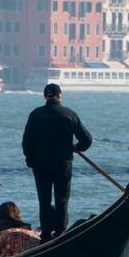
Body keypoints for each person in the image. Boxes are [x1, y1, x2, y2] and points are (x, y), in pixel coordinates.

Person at [21, 83, 92, 242]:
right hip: (63, 163)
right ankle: (60, 232)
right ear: (60, 95)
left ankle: (45, 233)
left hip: (41, 164)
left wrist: (30, 161)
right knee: (62, 199)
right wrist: (75, 148)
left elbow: (27, 142)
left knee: (44, 199)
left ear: (45, 96)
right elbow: (87, 140)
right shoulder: (69, 114)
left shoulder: (35, 114)